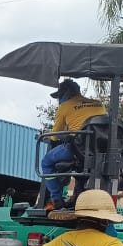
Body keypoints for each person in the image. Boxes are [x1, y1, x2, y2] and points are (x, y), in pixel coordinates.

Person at [41, 78, 107, 210]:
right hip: (101, 149)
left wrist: (47, 137)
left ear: (65, 93)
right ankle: (77, 195)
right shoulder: (98, 104)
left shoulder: (64, 107)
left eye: (59, 96)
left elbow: (54, 136)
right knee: (82, 164)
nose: (58, 100)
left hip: (78, 148)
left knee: (46, 162)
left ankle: (56, 199)